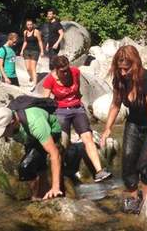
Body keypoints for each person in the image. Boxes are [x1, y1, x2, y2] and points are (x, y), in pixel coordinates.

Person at [100, 45, 147, 213]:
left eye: (127, 69)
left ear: (136, 64)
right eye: (120, 69)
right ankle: (133, 200)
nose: (124, 73)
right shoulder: (119, 80)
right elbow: (115, 104)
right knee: (128, 159)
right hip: (135, 120)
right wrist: (107, 128)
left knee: (146, 164)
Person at [42, 55, 113, 183]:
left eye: (67, 69)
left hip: (77, 109)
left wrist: (79, 102)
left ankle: (99, 171)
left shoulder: (75, 72)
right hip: (61, 111)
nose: (66, 73)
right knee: (64, 142)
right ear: (56, 70)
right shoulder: (49, 80)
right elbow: (45, 101)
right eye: (63, 71)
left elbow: (78, 90)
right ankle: (60, 172)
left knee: (88, 138)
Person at [21, 19, 45, 85]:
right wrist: (21, 51)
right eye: (28, 25)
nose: (30, 26)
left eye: (31, 24)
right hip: (26, 51)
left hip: (35, 51)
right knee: (28, 68)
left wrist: (42, 51)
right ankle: (32, 77)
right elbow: (25, 42)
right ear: (26, 25)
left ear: (33, 25)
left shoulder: (36, 31)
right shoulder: (25, 32)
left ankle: (35, 83)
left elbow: (40, 41)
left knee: (33, 68)